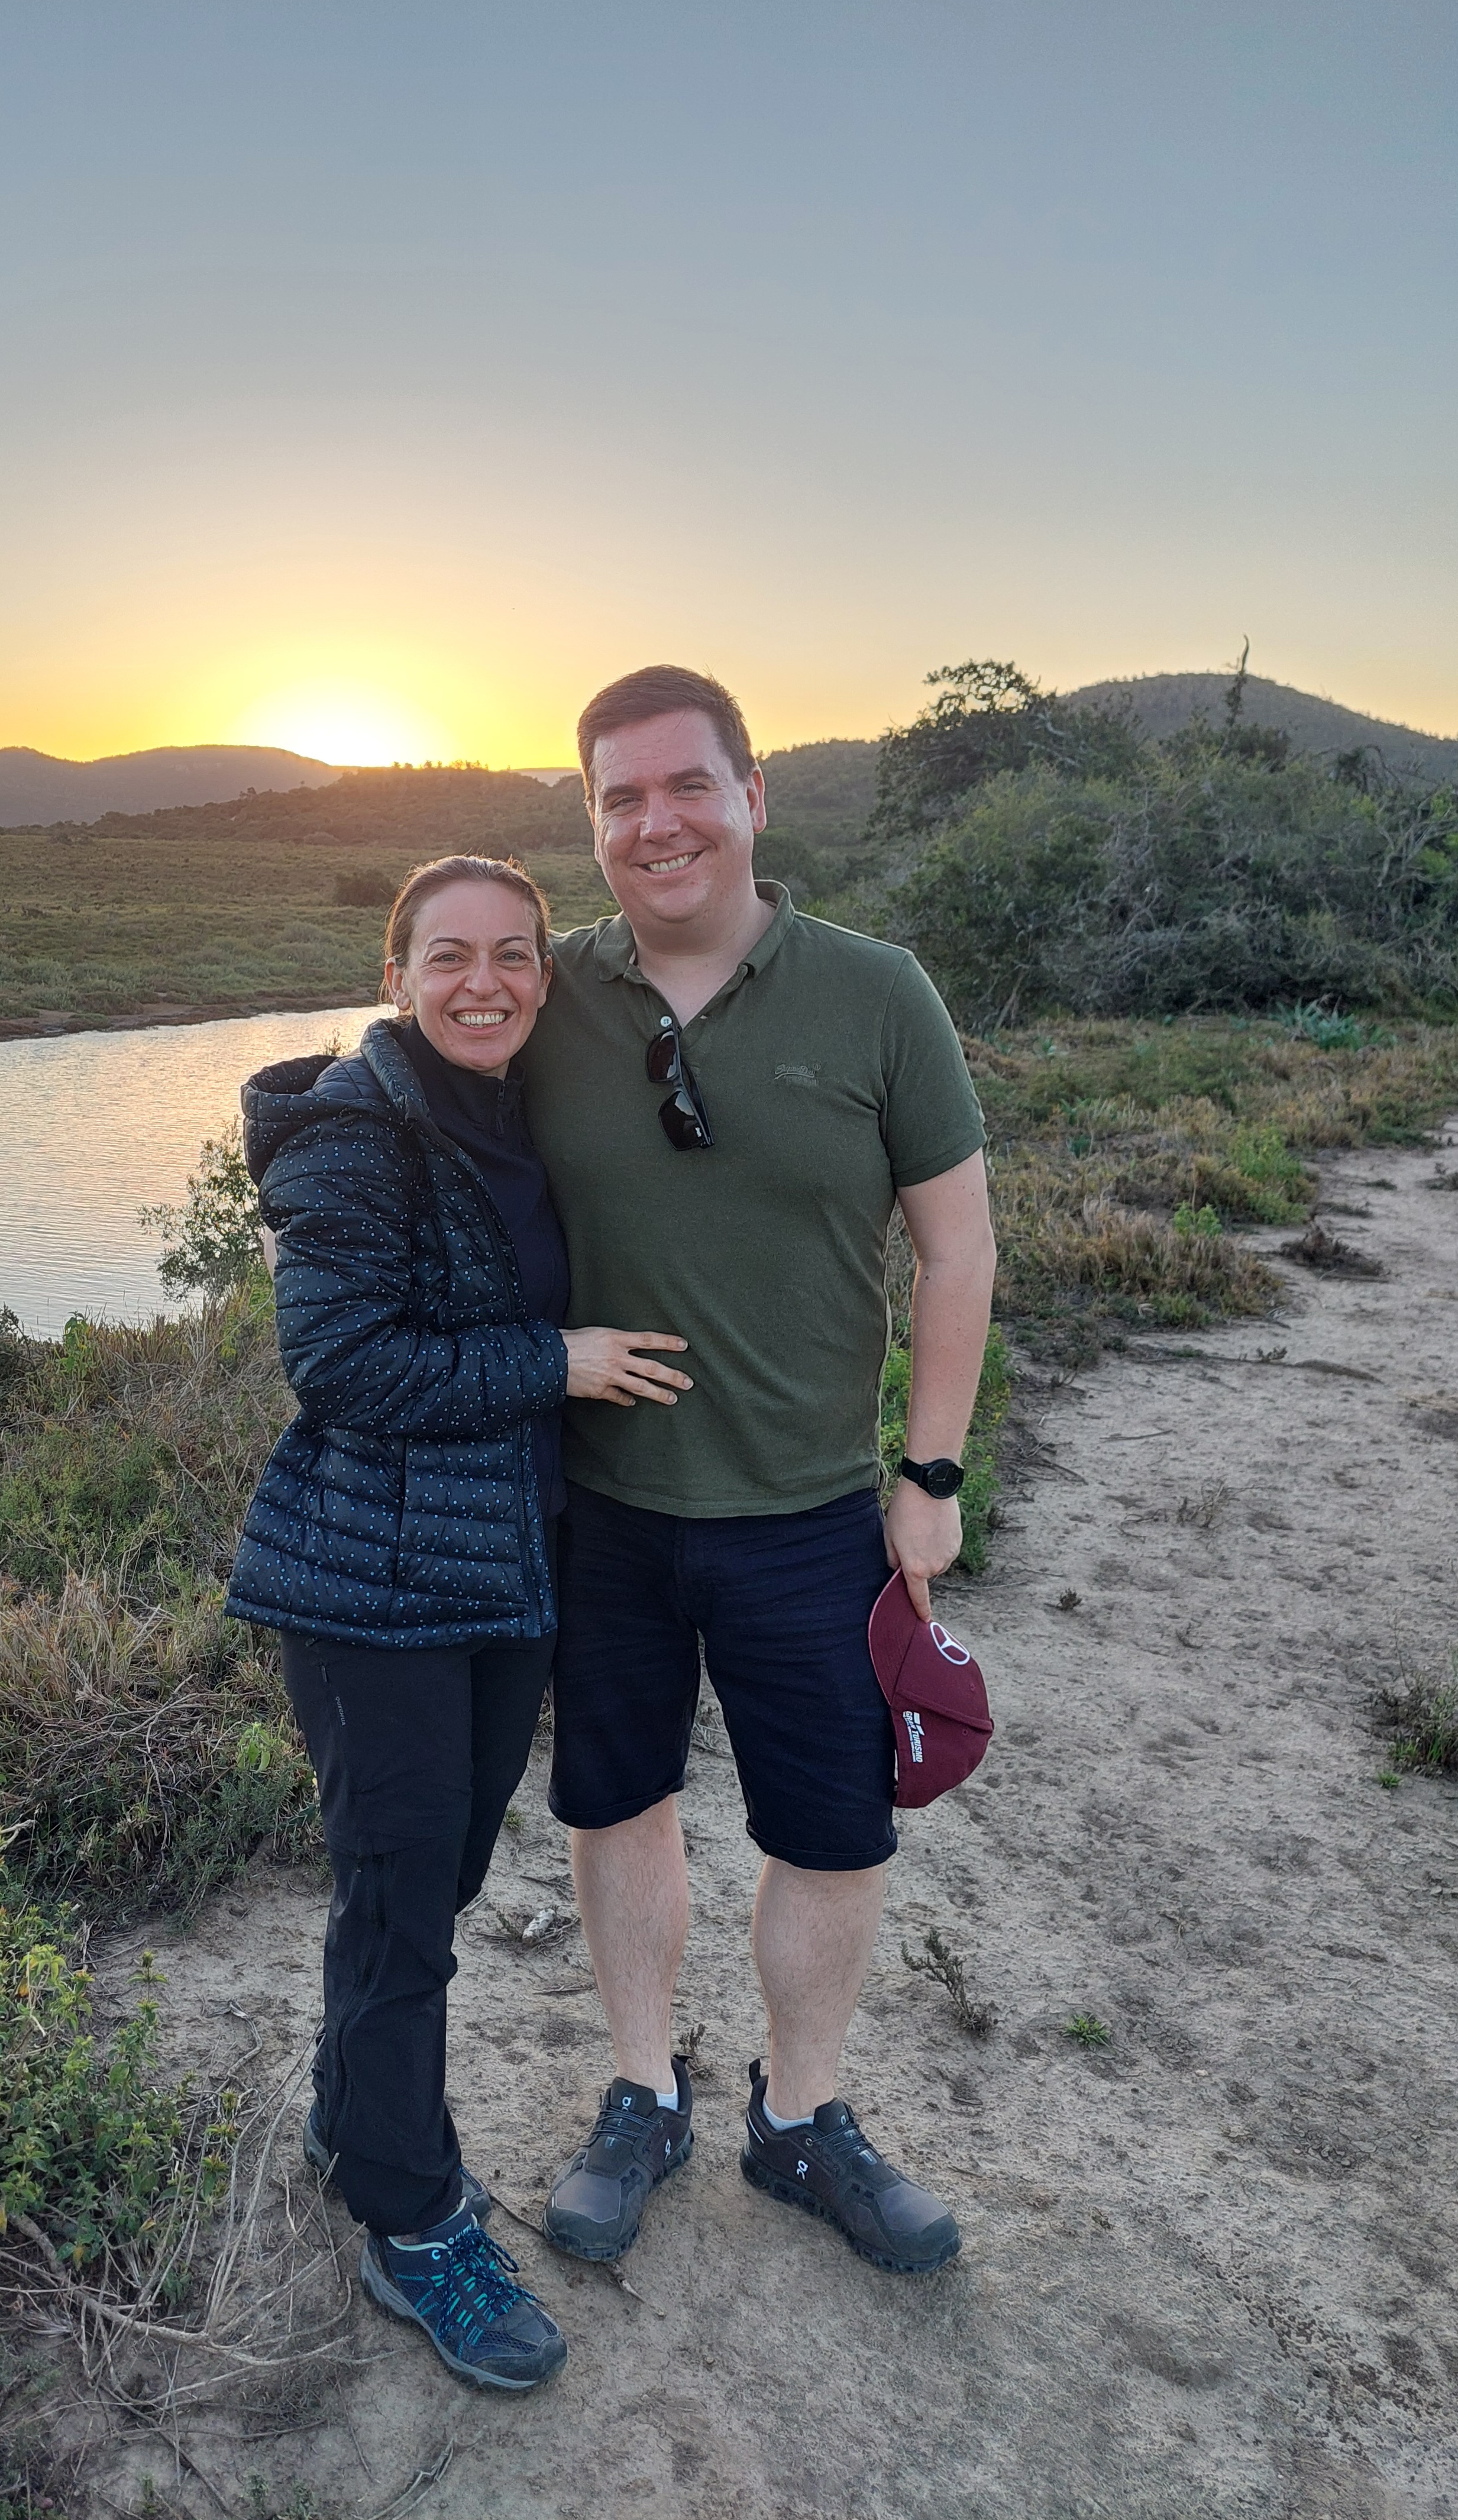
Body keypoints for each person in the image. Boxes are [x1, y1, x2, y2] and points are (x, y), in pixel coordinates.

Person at [518, 664, 997, 2277]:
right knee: (616, 1805)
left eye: (686, 786)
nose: (656, 824)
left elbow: (956, 1249)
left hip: (811, 1512)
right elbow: (423, 1085)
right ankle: (642, 2094)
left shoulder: (877, 994)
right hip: (601, 1507)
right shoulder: (550, 999)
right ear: (592, 823)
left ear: (751, 796)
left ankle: (799, 2120)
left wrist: (930, 1473)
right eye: (620, 798)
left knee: (834, 1831)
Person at [225, 854, 691, 2392]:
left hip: (499, 1571)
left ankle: (351, 2123)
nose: (481, 982)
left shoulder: (518, 1114)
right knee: (400, 1904)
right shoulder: (354, 1132)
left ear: (543, 977)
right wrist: (556, 1363)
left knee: (426, 1885)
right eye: (448, 956)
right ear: (397, 974)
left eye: (511, 955)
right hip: (373, 1590)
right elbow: (343, 1365)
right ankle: (411, 2218)